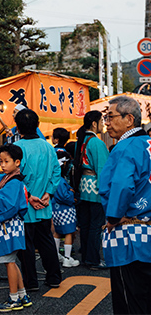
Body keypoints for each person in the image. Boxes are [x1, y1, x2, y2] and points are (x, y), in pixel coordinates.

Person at [99, 96, 151, 314]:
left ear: (129, 119)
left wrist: (112, 217)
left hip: (129, 233)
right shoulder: (147, 144)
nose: (106, 123)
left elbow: (122, 185)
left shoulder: (125, 147)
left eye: (110, 117)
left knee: (130, 301)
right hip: (147, 231)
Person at [14, 109, 62, 291]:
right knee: (46, 242)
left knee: (26, 246)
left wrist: (28, 195)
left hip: (25, 205)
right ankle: (54, 277)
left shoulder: (17, 148)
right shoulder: (48, 146)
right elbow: (57, 171)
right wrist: (49, 192)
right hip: (44, 203)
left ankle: (31, 282)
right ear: (38, 125)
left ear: (17, 128)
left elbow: (15, 176)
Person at [0, 144, 31, 311]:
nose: (2, 165)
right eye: (1, 161)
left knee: (8, 262)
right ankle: (22, 294)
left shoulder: (13, 182)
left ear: (17, 162)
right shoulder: (11, 179)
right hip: (13, 226)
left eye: (6, 161)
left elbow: (8, 205)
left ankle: (14, 299)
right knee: (12, 261)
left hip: (8, 227)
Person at [74, 110, 109, 269]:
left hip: (83, 185)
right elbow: (102, 169)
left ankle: (87, 257)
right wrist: (106, 191)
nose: (103, 124)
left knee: (86, 225)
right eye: (102, 121)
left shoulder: (82, 140)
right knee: (96, 225)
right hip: (95, 186)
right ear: (94, 123)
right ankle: (93, 259)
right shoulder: (97, 142)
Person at [52, 157, 79, 268]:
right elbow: (65, 196)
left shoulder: (53, 179)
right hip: (66, 210)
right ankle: (67, 258)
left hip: (55, 210)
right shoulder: (61, 181)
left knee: (57, 232)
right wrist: (71, 194)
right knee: (69, 232)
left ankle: (56, 255)